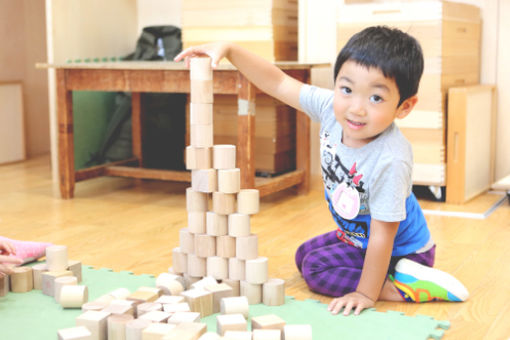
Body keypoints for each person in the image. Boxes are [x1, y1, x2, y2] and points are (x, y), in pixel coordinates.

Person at [174, 26, 469, 316]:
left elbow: (382, 236)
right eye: (347, 89)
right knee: (304, 256)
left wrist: (366, 293)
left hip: (402, 251)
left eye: (376, 98)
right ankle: (385, 277)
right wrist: (230, 49)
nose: (356, 108)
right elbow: (277, 82)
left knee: (316, 270)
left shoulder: (390, 160)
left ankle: (407, 286)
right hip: (358, 235)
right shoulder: (331, 107)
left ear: (404, 107)